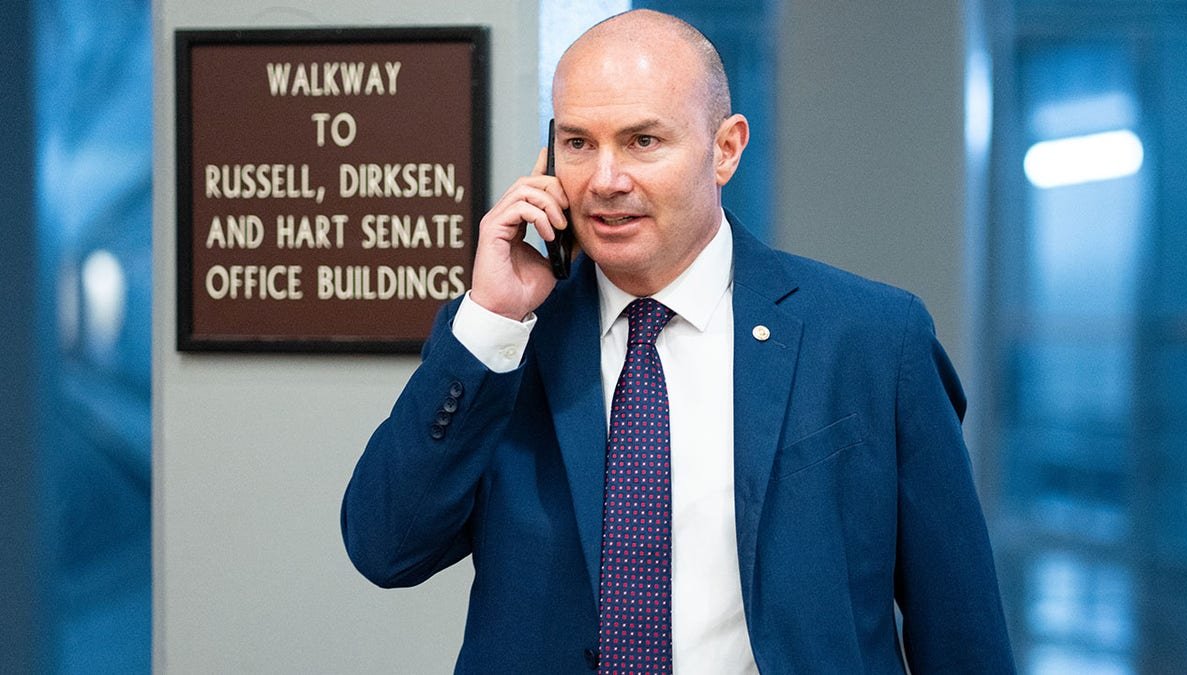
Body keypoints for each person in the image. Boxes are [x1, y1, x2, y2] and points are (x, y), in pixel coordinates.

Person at [342, 9, 1014, 674]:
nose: (605, 179)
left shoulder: (872, 339)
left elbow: (961, 629)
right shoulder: (502, 345)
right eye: (578, 142)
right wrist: (492, 317)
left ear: (726, 148)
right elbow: (385, 546)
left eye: (642, 141)